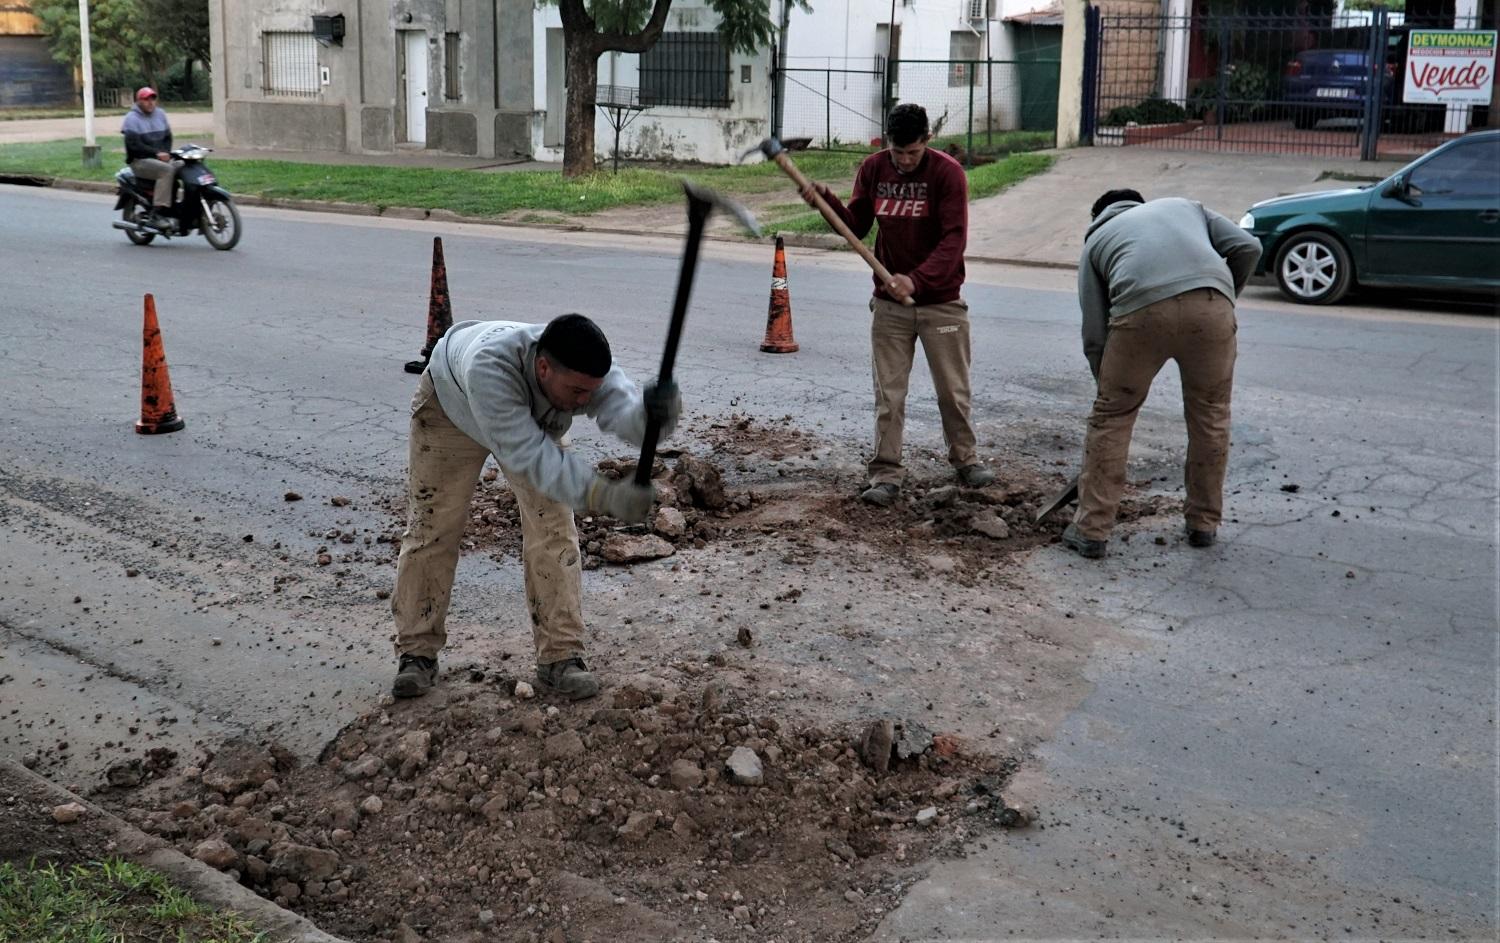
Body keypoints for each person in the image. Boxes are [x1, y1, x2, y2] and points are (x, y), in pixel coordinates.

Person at [390, 315, 679, 701]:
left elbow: (622, 413)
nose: (583, 402)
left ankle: (561, 657)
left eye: (588, 393)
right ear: (543, 368)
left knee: (555, 531)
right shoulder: (489, 370)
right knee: (433, 528)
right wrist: (607, 496)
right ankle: (416, 652)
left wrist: (653, 416)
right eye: (576, 393)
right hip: (450, 406)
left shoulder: (585, 373)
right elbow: (533, 458)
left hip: (525, 423)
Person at [801, 102, 995, 507]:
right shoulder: (874, 169)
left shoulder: (947, 174)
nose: (905, 161)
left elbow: (953, 240)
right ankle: (886, 474)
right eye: (898, 152)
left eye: (913, 152)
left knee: (953, 392)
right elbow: (855, 225)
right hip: (889, 306)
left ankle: (965, 459)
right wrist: (826, 203)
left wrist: (917, 279)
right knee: (889, 395)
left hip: (941, 302)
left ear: (928, 140)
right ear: (887, 144)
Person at [1062, 189, 1262, 560]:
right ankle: (1203, 524)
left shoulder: (1096, 242)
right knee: (1211, 415)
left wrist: (1106, 386)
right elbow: (1249, 247)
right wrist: (1223, 295)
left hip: (1140, 312)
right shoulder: (1185, 207)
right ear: (1141, 204)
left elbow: (1094, 329)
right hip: (1212, 307)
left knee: (1113, 419)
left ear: (1097, 217)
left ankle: (1091, 530)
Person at [120, 87, 178, 228]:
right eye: (146, 99)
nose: (150, 102)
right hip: (140, 161)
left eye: (152, 98)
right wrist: (156, 154)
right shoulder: (131, 119)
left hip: (158, 159)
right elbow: (134, 146)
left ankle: (177, 208)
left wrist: (166, 153)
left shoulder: (161, 114)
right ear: (138, 101)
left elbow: (167, 137)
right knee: (167, 170)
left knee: (183, 165)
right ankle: (157, 212)